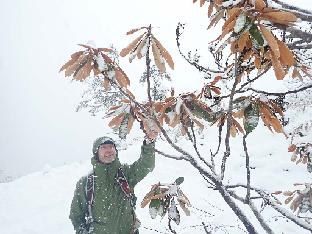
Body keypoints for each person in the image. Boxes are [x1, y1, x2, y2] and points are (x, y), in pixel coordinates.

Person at [69, 136, 155, 234]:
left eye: (111, 146)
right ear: (96, 152)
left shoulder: (125, 173)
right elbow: (76, 215)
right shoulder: (86, 182)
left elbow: (146, 165)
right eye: (104, 147)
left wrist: (149, 143)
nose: (109, 150)